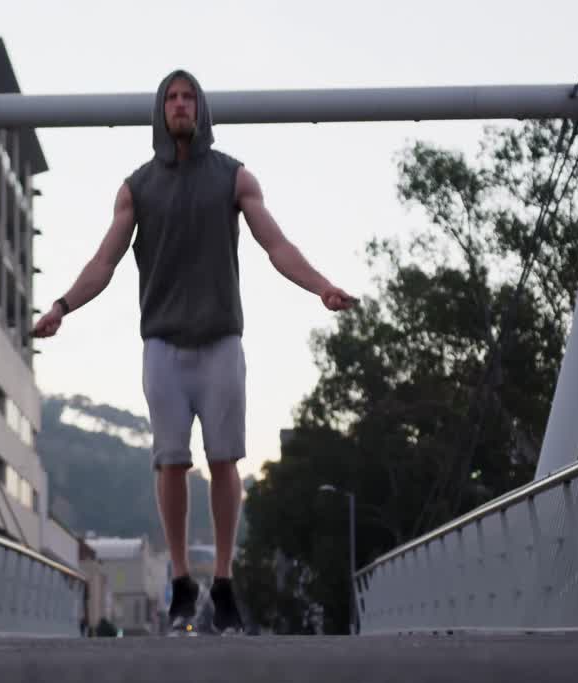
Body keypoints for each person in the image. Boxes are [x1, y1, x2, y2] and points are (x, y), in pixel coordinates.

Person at [32, 69, 355, 635]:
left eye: (189, 98)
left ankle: (224, 580)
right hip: (162, 344)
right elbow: (103, 263)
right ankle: (182, 580)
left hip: (221, 341)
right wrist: (60, 305)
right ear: (160, 112)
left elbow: (275, 244)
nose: (180, 105)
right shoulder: (136, 187)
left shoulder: (234, 177)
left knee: (225, 458)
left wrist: (321, 285)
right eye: (171, 98)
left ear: (202, 111)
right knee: (170, 459)